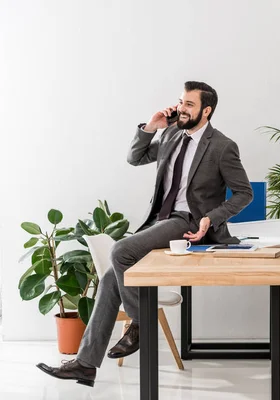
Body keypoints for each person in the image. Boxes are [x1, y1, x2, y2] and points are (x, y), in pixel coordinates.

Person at [35, 81, 253, 386]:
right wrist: (151, 127)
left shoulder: (222, 146)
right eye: (180, 102)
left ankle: (141, 324)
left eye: (189, 104)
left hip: (189, 221)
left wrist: (211, 219)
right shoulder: (172, 133)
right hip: (160, 220)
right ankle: (85, 365)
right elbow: (134, 158)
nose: (181, 108)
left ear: (207, 110)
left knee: (119, 250)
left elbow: (244, 193)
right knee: (111, 277)